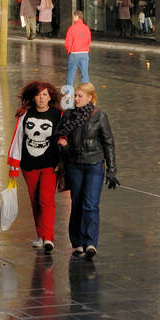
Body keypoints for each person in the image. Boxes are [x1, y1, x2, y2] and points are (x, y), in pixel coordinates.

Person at [60, 82, 118, 260]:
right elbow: (61, 138)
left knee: (90, 204)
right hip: (75, 165)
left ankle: (90, 242)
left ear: (90, 97)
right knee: (77, 203)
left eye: (80, 96)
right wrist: (65, 147)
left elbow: (108, 142)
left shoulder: (99, 116)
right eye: (75, 95)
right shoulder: (69, 115)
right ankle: (77, 242)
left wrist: (112, 169)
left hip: (94, 165)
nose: (76, 99)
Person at [6, 81, 65, 254]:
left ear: (50, 97)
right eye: (39, 94)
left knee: (46, 199)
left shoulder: (58, 115)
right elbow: (17, 139)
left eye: (45, 94)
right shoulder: (25, 115)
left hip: (50, 165)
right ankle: (40, 235)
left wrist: (62, 158)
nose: (41, 98)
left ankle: (48, 237)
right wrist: (13, 165)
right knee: (35, 201)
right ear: (33, 96)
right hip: (28, 165)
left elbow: (64, 136)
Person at [64, 10, 92, 88]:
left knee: (71, 73)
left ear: (76, 17)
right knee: (85, 73)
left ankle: (68, 90)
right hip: (84, 53)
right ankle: (86, 91)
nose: (73, 18)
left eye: (73, 16)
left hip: (74, 53)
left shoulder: (72, 28)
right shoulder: (86, 28)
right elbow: (88, 40)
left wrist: (69, 50)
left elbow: (68, 42)